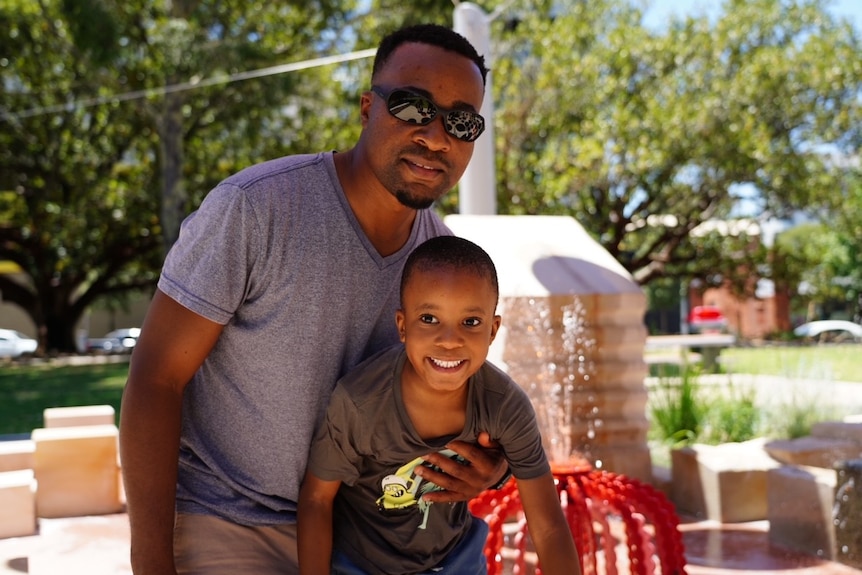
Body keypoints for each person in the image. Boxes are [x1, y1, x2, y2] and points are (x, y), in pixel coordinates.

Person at [119, 24, 510, 575]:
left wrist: (490, 470)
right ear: (366, 107)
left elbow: (455, 397)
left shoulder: (441, 261)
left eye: (462, 121)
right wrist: (152, 564)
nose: (436, 136)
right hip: (233, 522)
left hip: (359, 538)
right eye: (413, 106)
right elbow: (155, 380)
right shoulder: (255, 209)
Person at [297, 235, 582, 575]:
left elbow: (548, 527)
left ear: (492, 331)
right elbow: (316, 500)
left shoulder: (505, 406)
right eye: (430, 319)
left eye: (471, 322)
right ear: (402, 326)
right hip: (362, 564)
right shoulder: (360, 402)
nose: (450, 341)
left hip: (455, 560)